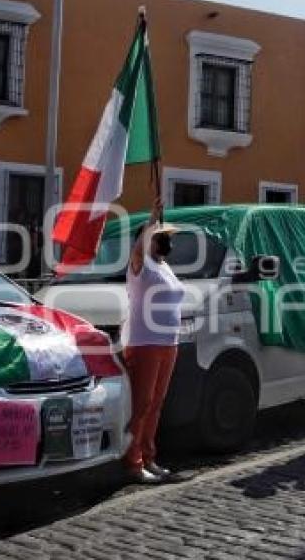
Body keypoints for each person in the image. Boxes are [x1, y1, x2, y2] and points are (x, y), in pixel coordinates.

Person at [122, 196, 184, 483]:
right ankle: (133, 461)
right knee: (142, 403)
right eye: (163, 237)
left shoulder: (164, 267)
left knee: (157, 403)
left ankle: (149, 456)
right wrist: (150, 221)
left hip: (168, 342)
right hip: (144, 342)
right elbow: (136, 252)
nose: (168, 241)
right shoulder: (140, 265)